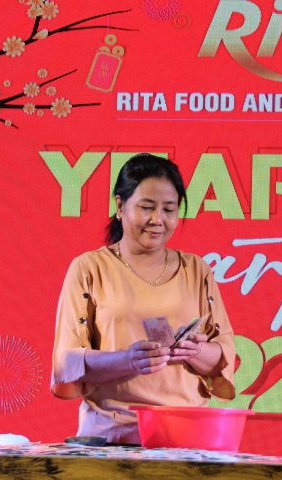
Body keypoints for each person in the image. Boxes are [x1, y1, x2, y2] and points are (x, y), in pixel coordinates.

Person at [51, 154, 235, 445]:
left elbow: (223, 358)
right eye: (146, 207)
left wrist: (194, 351)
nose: (157, 220)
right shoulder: (89, 267)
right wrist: (128, 360)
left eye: (169, 209)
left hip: (186, 437)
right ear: (120, 206)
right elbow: (67, 361)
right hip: (112, 438)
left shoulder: (197, 269)